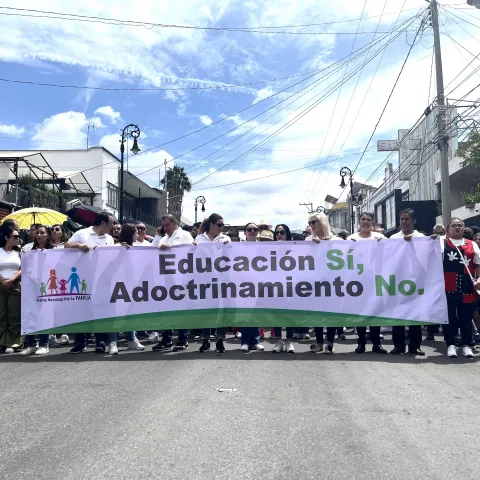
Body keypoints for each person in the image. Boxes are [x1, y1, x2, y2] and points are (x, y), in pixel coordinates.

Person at [65, 212, 115, 354]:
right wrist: (79, 246)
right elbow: (66, 246)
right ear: (103, 223)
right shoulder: (82, 233)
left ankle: (101, 341)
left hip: (103, 280)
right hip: (84, 279)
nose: (113, 226)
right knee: (82, 310)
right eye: (111, 223)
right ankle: (80, 342)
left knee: (101, 310)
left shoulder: (110, 239)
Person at [438, 218, 480, 358]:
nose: (457, 228)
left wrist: (479, 279)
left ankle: (467, 344)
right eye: (454, 226)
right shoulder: (442, 243)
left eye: (460, 226)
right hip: (447, 286)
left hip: (467, 286)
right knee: (449, 317)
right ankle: (451, 344)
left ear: (464, 228)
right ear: (448, 229)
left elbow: (477, 264)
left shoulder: (472, 244)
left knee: (466, 318)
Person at [153, 214, 195, 352]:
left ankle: (183, 339)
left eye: (167, 225)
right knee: (165, 311)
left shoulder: (184, 235)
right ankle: (166, 339)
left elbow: (189, 252)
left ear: (174, 223)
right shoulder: (163, 237)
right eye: (163, 226)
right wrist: (158, 236)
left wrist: (169, 248)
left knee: (181, 311)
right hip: (165, 280)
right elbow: (151, 252)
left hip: (180, 280)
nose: (165, 228)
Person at [347, 212, 387, 354]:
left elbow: (390, 254)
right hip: (358, 281)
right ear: (359, 221)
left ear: (373, 222)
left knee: (375, 313)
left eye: (368, 219)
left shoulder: (380, 237)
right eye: (363, 219)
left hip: (376, 280)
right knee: (361, 313)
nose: (365, 222)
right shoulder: (351, 238)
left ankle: (377, 343)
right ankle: (361, 342)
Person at [105, 224, 146, 355]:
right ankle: (112, 342)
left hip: (132, 286)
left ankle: (132, 339)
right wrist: (121, 253)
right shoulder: (117, 247)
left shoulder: (137, 248)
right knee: (115, 315)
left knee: (131, 313)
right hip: (117, 285)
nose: (137, 235)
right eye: (135, 233)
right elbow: (108, 264)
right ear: (130, 234)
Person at [389, 209, 425, 356]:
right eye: (401, 219)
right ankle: (398, 345)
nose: (404, 222)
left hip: (415, 281)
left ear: (413, 221)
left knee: (415, 316)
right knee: (398, 315)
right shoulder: (392, 238)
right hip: (397, 282)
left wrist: (414, 242)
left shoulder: (421, 237)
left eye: (407, 219)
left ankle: (415, 346)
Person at [305, 212, 340, 354]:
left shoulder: (336, 240)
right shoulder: (308, 240)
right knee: (317, 314)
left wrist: (328, 244)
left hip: (332, 283)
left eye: (314, 222)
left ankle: (330, 344)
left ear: (323, 222)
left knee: (331, 314)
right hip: (314, 283)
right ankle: (319, 343)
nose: (312, 225)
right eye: (310, 223)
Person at [196, 214, 230, 353]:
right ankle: (206, 340)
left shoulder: (225, 239)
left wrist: (229, 247)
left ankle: (220, 340)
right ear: (211, 224)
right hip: (204, 281)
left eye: (223, 225)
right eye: (219, 225)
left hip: (221, 281)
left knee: (220, 312)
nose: (221, 228)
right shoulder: (199, 239)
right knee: (207, 311)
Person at [20, 225, 54, 356]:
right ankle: (31, 344)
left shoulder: (55, 250)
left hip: (47, 288)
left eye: (42, 233)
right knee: (30, 314)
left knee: (44, 315)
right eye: (37, 233)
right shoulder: (28, 249)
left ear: (48, 235)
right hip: (31, 287)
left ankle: (44, 344)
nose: (38, 235)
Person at [270, 224, 297, 353]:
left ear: (287, 234)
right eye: (277, 232)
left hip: (290, 286)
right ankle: (278, 341)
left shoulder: (295, 247)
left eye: (282, 232)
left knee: (290, 315)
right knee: (277, 314)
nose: (279, 234)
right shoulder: (268, 249)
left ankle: (289, 342)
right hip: (275, 286)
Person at [238, 222, 264, 352]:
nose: (252, 231)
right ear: (245, 232)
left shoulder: (262, 247)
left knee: (255, 313)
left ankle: (255, 340)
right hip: (243, 284)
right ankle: (245, 341)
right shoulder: (238, 247)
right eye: (249, 229)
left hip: (258, 283)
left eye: (255, 229)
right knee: (245, 313)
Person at [0, 227, 22, 353]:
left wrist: (11, 280)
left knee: (14, 315)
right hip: (1, 285)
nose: (18, 239)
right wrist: (3, 281)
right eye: (15, 237)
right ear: (7, 238)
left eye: (18, 237)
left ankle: (13, 342)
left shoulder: (19, 252)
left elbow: (22, 268)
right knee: (2, 315)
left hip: (16, 285)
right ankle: (2, 341)